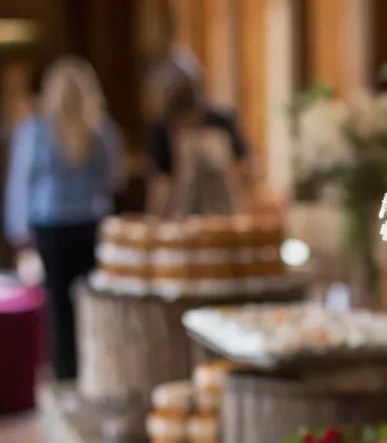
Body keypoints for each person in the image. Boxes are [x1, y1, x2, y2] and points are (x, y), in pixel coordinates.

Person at [4, 56, 122, 381]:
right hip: (91, 223)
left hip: (51, 225)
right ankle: (94, 369)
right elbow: (115, 179)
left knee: (57, 303)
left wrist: (18, 231)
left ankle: (65, 370)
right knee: (92, 301)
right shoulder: (102, 130)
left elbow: (21, 181)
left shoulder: (35, 130)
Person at [145, 52, 249, 216]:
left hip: (225, 213)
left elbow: (245, 169)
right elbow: (161, 186)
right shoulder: (162, 131)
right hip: (183, 217)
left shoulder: (223, 122)